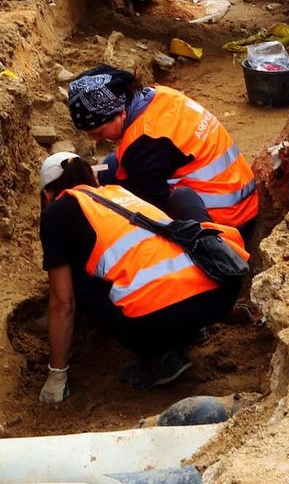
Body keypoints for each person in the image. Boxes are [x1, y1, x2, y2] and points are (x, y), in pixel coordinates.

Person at [36, 153, 248, 402]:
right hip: (221, 286)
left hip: (168, 312)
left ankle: (161, 357)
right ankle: (189, 331)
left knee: (79, 284)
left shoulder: (56, 213)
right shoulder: (115, 193)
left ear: (49, 194)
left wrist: (56, 377)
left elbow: (63, 304)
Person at [66, 66, 260, 242]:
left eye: (98, 132)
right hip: (245, 200)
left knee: (115, 183)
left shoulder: (142, 145)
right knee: (110, 166)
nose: (97, 140)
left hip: (222, 223)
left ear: (120, 114)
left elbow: (152, 212)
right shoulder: (161, 96)